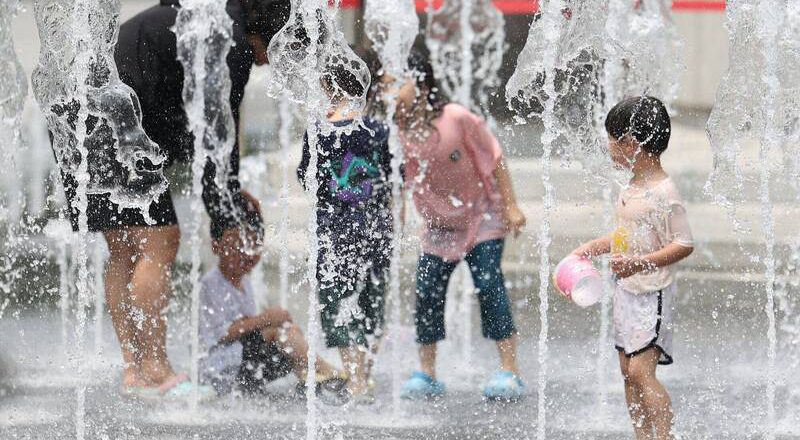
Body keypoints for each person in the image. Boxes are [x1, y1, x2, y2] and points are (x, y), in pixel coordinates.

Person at [55, 0, 291, 398]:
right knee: (160, 241)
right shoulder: (231, 42)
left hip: (82, 109)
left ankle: (135, 369)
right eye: (285, 48)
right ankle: (156, 368)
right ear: (271, 33)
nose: (278, 63)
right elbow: (216, 131)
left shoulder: (211, 18)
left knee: (125, 246)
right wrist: (226, 211)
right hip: (113, 114)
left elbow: (202, 126)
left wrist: (227, 194)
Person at [394, 50, 527, 401]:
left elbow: (494, 157)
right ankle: (427, 372)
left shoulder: (455, 118)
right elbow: (396, 181)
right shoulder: (396, 134)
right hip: (439, 226)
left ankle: (510, 370)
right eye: (385, 84)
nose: (389, 91)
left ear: (421, 85)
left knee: (488, 283)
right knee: (427, 291)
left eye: (397, 83)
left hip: (482, 217)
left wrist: (511, 205)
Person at [571, 96, 693, 440]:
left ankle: (664, 437)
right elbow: (629, 236)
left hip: (652, 293)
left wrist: (640, 263)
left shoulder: (665, 192)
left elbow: (684, 243)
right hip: (627, 292)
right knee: (627, 369)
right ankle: (642, 436)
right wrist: (595, 246)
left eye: (612, 139)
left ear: (629, 143)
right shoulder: (632, 187)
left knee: (641, 370)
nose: (608, 146)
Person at [297, 60, 393, 403]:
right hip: (375, 230)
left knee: (337, 300)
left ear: (327, 86)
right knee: (372, 300)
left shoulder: (318, 130)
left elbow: (306, 179)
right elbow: (393, 184)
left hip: (333, 233)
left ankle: (355, 377)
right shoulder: (379, 131)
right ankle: (364, 374)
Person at [199, 191, 347, 399]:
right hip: (221, 371)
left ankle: (309, 376)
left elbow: (249, 330)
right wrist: (265, 320)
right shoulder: (210, 284)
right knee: (279, 332)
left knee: (288, 332)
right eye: (238, 245)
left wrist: (267, 323)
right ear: (216, 246)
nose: (246, 253)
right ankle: (326, 371)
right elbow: (219, 335)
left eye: (254, 245)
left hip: (242, 365)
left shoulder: (245, 283)